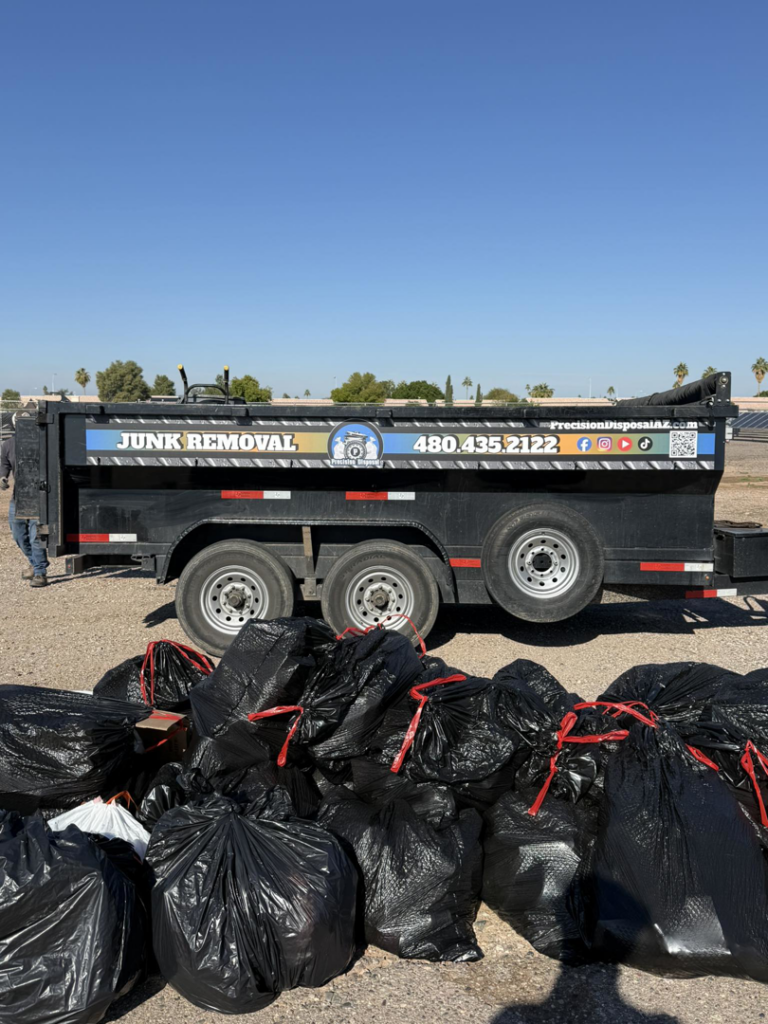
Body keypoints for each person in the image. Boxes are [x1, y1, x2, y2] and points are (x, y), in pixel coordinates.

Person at [0, 417, 49, 587]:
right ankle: (36, 563)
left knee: (36, 536)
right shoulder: (8, 445)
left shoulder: (44, 442)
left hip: (40, 496)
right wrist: (2, 477)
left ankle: (40, 573)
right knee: (18, 535)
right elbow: (4, 463)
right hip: (18, 497)